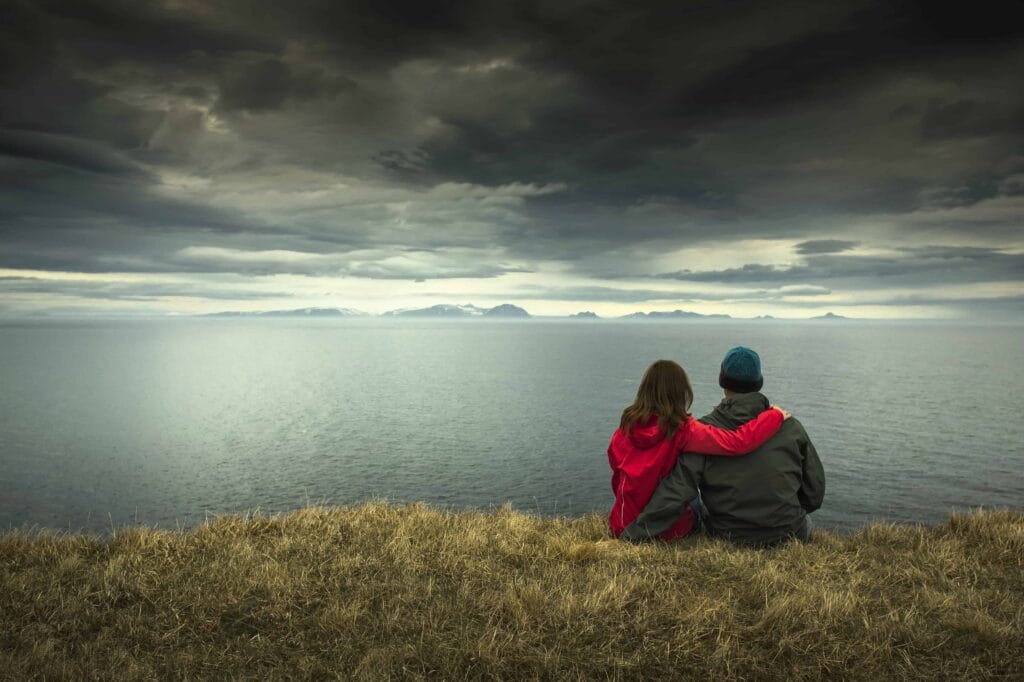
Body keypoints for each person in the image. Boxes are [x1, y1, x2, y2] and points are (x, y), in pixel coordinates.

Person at [621, 347, 825, 546]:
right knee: (806, 523)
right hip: (790, 532)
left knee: (695, 504)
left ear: (722, 380)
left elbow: (676, 492)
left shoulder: (702, 432)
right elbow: (814, 494)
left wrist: (633, 535)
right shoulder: (791, 426)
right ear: (759, 382)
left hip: (729, 535)